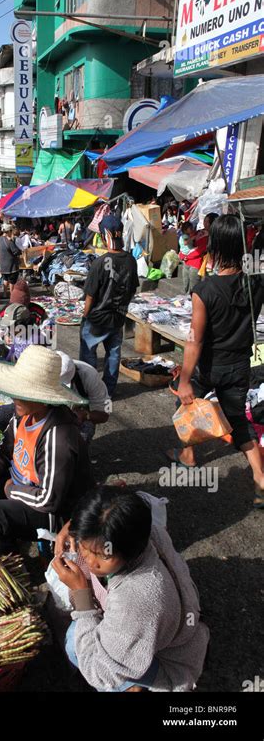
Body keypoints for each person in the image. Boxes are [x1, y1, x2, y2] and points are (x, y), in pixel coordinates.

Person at [53, 492, 210, 692]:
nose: (91, 562)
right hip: (171, 631)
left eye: (102, 555)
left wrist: (81, 595)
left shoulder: (137, 598)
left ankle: (134, 686)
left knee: (73, 642)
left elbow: (99, 672)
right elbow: (111, 508)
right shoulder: (147, 530)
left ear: (130, 549)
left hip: (173, 669)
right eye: (85, 547)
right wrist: (75, 526)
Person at [166, 214, 264, 509]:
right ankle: (260, 478)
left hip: (210, 367)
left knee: (182, 400)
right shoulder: (255, 283)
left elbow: (194, 340)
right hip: (239, 366)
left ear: (215, 246)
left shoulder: (204, 290)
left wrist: (184, 380)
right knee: (239, 423)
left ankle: (189, 456)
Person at [0, 345, 95, 553]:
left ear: (44, 398)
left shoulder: (58, 436)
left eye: (24, 394)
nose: (16, 398)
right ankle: (0, 543)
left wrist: (10, 489)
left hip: (56, 513)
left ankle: (9, 570)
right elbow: (3, 452)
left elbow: (48, 500)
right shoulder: (22, 417)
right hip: (24, 485)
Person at [80, 215, 139, 396]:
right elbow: (132, 289)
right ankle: (108, 390)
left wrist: (85, 315)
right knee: (113, 354)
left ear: (106, 236)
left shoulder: (99, 263)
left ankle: (90, 391)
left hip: (97, 317)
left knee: (89, 354)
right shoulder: (130, 260)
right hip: (117, 317)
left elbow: (90, 295)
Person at [56, 351, 110, 445]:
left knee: (81, 437)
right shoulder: (38, 373)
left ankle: (80, 454)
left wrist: (85, 415)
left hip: (78, 415)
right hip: (52, 415)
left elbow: (105, 415)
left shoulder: (90, 376)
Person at [0, 224, 21, 297]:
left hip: (3, 265)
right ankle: (12, 294)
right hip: (11, 265)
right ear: (9, 231)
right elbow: (16, 252)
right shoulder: (9, 241)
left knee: (5, 279)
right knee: (12, 280)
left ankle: (4, 294)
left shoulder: (0, 239)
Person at [178, 221, 197, 294]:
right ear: (185, 229)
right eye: (190, 228)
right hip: (187, 254)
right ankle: (186, 290)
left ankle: (186, 290)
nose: (192, 229)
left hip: (185, 255)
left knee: (186, 274)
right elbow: (186, 243)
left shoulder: (184, 235)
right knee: (187, 275)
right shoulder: (185, 236)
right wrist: (193, 238)